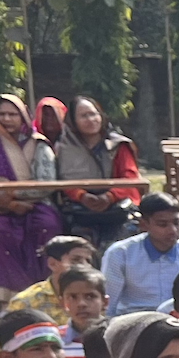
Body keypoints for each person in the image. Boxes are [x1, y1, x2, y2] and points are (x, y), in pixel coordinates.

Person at [0, 93, 62, 298]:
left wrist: (17, 197)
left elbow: (47, 184)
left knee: (47, 225)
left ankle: (46, 292)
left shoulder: (39, 144)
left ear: (23, 116)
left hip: (36, 203)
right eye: (2, 114)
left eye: (12, 114)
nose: (7, 119)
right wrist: (7, 203)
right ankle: (4, 297)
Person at [49, 95, 142, 250]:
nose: (90, 119)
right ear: (73, 121)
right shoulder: (63, 149)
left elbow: (130, 178)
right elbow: (62, 180)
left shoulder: (118, 145)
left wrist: (108, 196)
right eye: (84, 116)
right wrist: (82, 196)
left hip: (117, 207)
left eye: (93, 114)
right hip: (78, 208)